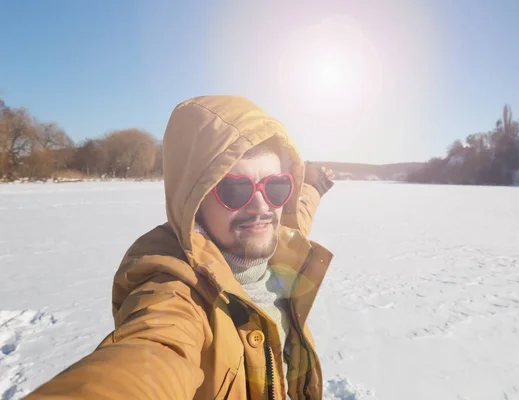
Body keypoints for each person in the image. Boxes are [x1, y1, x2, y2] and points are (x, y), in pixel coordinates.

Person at [25, 95, 335, 400]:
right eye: (234, 189)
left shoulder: (280, 241)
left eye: (276, 186)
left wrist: (315, 186)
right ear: (193, 199)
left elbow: (299, 214)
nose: (261, 205)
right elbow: (152, 353)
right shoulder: (175, 290)